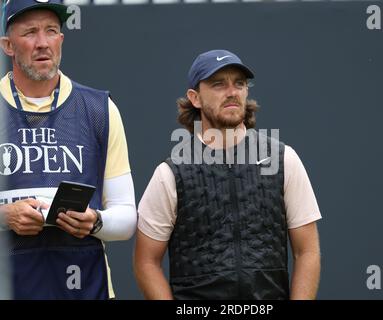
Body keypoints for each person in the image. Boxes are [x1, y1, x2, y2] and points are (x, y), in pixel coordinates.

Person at [134, 49, 322, 300]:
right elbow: (146, 262)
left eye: (239, 84)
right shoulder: (169, 174)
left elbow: (307, 251)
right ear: (195, 98)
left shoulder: (283, 159)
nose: (232, 92)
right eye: (218, 84)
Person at [0, 0, 136, 299]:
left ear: (61, 39)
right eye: (30, 32)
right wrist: (5, 216)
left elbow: (126, 217)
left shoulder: (99, 109)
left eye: (51, 31)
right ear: (8, 45)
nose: (42, 43)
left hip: (85, 286)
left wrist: (96, 222)